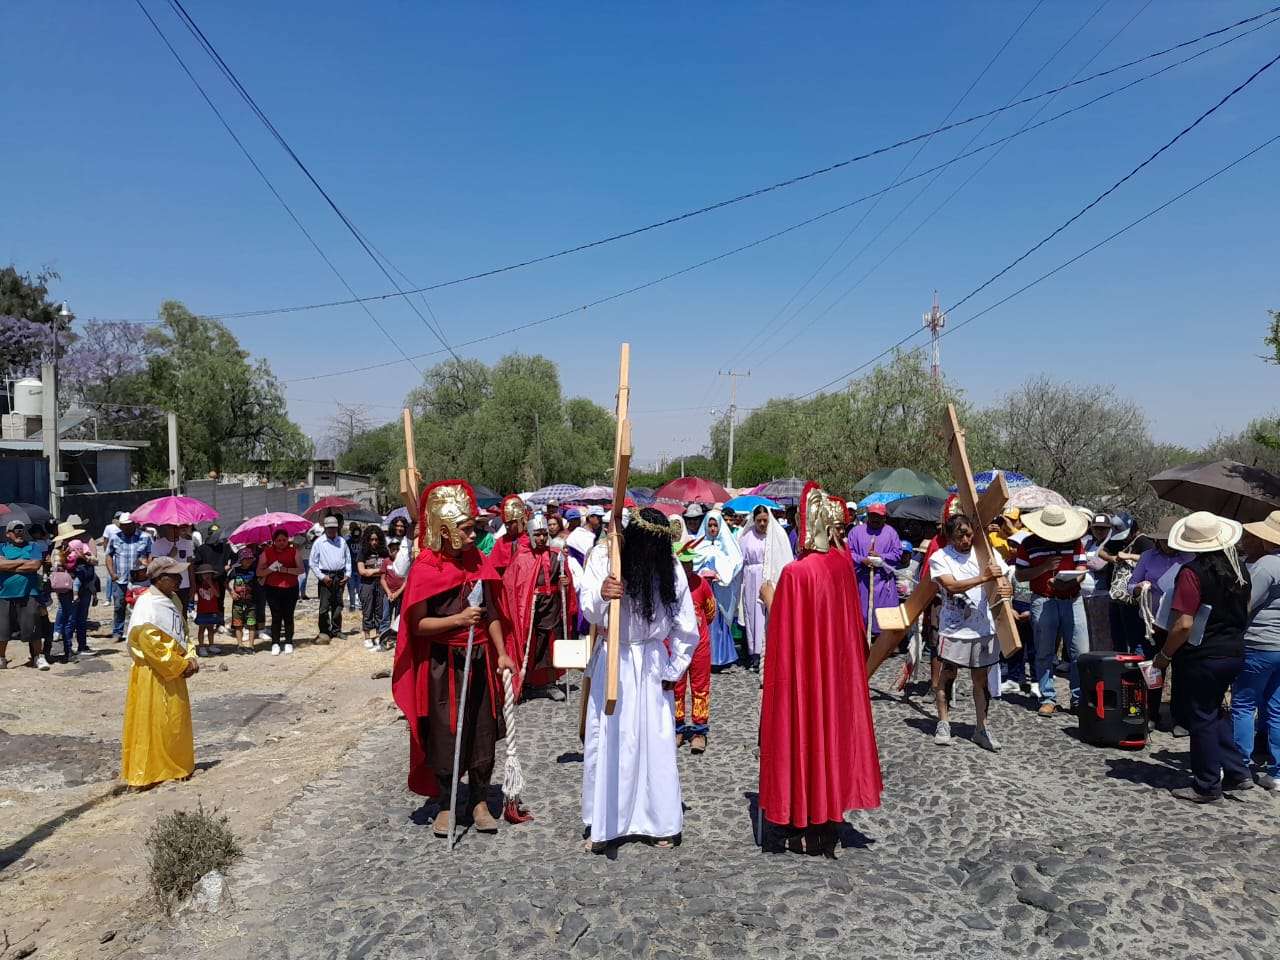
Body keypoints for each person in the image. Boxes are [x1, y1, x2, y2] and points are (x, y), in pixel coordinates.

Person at [759, 483, 882, 856]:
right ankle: (828, 824)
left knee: (803, 731)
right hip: (834, 676)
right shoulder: (842, 566)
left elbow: (786, 638)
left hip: (805, 677)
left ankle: (805, 823)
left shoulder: (797, 574)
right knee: (829, 733)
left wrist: (771, 599)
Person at [391, 480, 515, 838]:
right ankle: (447, 803)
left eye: (473, 528)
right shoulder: (425, 569)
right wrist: (457, 621)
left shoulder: (478, 562)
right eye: (466, 529)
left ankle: (478, 800)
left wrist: (503, 653)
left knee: (481, 730)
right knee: (445, 733)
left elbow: (490, 613)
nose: (474, 535)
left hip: (478, 660)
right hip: (443, 665)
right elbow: (419, 626)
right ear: (445, 531)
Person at [578, 506, 698, 853]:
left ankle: (659, 821)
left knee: (655, 741)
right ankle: (606, 822)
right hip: (615, 657)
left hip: (651, 665)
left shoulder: (670, 568)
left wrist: (674, 669)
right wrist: (604, 592)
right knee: (611, 739)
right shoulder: (606, 558)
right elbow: (588, 607)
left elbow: (686, 628)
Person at [1157, 512, 1254, 803]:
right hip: (1234, 650)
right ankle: (1238, 772)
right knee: (1215, 711)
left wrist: (1164, 654)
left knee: (1200, 717)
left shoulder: (1192, 572)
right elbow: (1246, 610)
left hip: (1203, 654)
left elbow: (1184, 624)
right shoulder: (1239, 571)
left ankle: (1207, 784)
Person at [928, 513, 1013, 751]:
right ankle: (944, 722)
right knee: (948, 673)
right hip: (954, 629)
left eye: (968, 534)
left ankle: (981, 728)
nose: (966, 539)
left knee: (981, 679)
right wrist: (983, 577)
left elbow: (1003, 578)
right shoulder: (941, 557)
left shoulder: (985, 552)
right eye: (959, 536)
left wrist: (1005, 588)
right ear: (950, 536)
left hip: (982, 628)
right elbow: (952, 585)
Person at [121, 556, 199, 788]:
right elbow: (150, 644)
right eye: (173, 576)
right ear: (160, 578)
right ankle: (150, 771)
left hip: (175, 670)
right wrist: (180, 665)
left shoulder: (173, 599)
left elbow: (183, 632)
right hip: (153, 673)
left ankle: (176, 765)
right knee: (153, 721)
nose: (178, 579)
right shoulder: (148, 605)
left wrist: (190, 656)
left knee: (174, 720)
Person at [1015, 505, 1089, 717]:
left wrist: (1070, 581)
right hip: (1043, 599)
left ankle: (1078, 698)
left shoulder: (1074, 542)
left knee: (1080, 652)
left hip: (1072, 599)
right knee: (1044, 651)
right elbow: (1020, 575)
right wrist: (1045, 568)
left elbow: (1082, 570)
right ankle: (1047, 697)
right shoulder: (1028, 544)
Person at [499, 513, 573, 702]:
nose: (541, 538)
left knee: (549, 645)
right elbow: (511, 582)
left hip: (551, 607)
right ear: (531, 535)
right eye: (537, 534)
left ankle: (548, 683)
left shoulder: (557, 556)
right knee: (529, 644)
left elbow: (564, 582)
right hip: (528, 608)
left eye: (544, 534)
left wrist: (565, 583)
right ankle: (527, 682)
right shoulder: (522, 556)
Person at [1127, 517, 1191, 727]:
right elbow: (1131, 584)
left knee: (1182, 670)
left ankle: (1179, 717)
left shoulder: (1190, 558)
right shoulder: (1147, 556)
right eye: (1164, 540)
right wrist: (1138, 588)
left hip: (1180, 622)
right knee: (1153, 668)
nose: (1167, 544)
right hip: (1151, 622)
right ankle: (1151, 712)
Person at [1232, 510, 1280, 791]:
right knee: (1276, 709)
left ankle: (1239, 767)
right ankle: (1276, 773)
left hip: (1259, 643)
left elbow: (1244, 604)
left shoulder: (1266, 566)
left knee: (1243, 704)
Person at [737, 505, 792, 673]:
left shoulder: (777, 535)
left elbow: (784, 559)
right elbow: (740, 560)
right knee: (753, 616)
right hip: (751, 581)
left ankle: (769, 653)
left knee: (767, 616)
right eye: (759, 520)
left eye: (765, 521)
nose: (762, 524)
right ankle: (755, 654)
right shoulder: (746, 537)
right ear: (754, 520)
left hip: (769, 580)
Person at [675, 534, 716, 753]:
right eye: (683, 563)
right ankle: (677, 727)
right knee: (676, 686)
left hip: (700, 644)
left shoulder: (701, 584)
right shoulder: (670, 584)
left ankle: (699, 730)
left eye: (690, 562)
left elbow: (711, 612)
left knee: (700, 687)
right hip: (677, 644)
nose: (687, 566)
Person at [694, 509, 743, 670]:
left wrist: (721, 574)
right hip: (704, 589)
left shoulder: (726, 544)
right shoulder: (699, 544)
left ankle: (721, 657)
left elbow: (736, 561)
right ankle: (705, 657)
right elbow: (694, 563)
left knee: (719, 623)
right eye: (710, 525)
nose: (713, 529)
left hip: (720, 590)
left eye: (716, 525)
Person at [849, 503, 903, 638]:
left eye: (878, 517)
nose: (875, 519)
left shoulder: (891, 533)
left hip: (884, 582)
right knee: (863, 614)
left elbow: (897, 554)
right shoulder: (856, 532)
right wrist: (862, 559)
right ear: (867, 516)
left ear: (884, 517)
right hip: (863, 582)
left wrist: (881, 557)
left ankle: (886, 644)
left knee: (885, 617)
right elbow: (848, 553)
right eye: (872, 516)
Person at [0, 520, 48, 671]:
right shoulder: (1, 547)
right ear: (8, 534)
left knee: (33, 626)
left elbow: (35, 565)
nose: (19, 533)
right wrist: (22, 562)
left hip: (29, 593)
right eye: (15, 530)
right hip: (4, 594)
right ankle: (1, 658)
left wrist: (10, 565)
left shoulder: (33, 546)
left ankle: (38, 657)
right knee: (2, 629)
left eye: (21, 530)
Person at [260, 528, 303, 655]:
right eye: (278, 540)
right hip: (273, 588)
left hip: (290, 587)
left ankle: (289, 641)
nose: (281, 542)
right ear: (274, 541)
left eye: (284, 540)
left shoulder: (294, 551)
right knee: (276, 616)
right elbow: (259, 572)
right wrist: (270, 569)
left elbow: (301, 570)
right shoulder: (266, 553)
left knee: (288, 616)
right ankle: (275, 643)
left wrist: (285, 570)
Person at [310, 517, 351, 643]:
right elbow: (313, 563)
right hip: (326, 577)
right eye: (330, 528)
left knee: (338, 604)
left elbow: (348, 559)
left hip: (339, 576)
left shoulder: (342, 541)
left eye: (334, 527)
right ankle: (324, 631)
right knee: (324, 607)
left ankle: (336, 630)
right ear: (325, 528)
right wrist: (322, 577)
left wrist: (347, 575)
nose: (332, 530)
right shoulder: (319, 542)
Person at [357, 526, 390, 649]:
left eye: (376, 539)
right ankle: (367, 635)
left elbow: (388, 569)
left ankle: (377, 635)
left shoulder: (384, 552)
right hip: (367, 584)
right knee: (367, 610)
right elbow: (363, 571)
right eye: (371, 539)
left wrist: (373, 571)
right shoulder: (362, 552)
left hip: (381, 584)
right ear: (367, 540)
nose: (374, 542)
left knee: (379, 610)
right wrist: (380, 570)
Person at [150, 524, 195, 611]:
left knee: (182, 612)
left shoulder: (187, 543)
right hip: (166, 586)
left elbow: (190, 566)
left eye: (178, 527)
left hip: (184, 585)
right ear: (166, 528)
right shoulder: (157, 545)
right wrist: (170, 555)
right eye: (173, 527)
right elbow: (156, 567)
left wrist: (193, 585)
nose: (176, 530)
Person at [227, 547, 259, 653]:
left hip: (251, 601)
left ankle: (251, 645)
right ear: (241, 559)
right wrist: (232, 592)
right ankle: (240, 645)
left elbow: (260, 581)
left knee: (251, 623)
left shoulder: (254, 570)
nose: (248, 560)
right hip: (238, 602)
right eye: (246, 558)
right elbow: (226, 582)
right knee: (238, 624)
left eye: (250, 558)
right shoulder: (235, 570)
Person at [490, 495, 530, 575]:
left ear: (520, 521)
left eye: (511, 523)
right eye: (505, 523)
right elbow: (494, 569)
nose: (507, 526)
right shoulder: (501, 542)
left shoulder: (530, 540)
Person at [193, 565, 223, 657]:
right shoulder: (198, 585)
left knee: (211, 628)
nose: (207, 575)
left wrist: (210, 584)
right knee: (201, 629)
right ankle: (201, 646)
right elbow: (194, 595)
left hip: (212, 610)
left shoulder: (215, 584)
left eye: (209, 573)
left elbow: (217, 595)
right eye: (204, 574)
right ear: (200, 575)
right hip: (202, 610)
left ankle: (211, 645)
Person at [345, 522, 363, 612]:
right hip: (351, 568)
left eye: (358, 534)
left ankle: (360, 603)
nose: (356, 537)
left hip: (360, 568)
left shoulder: (362, 542)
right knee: (351, 587)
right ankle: (352, 604)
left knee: (360, 587)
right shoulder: (347, 541)